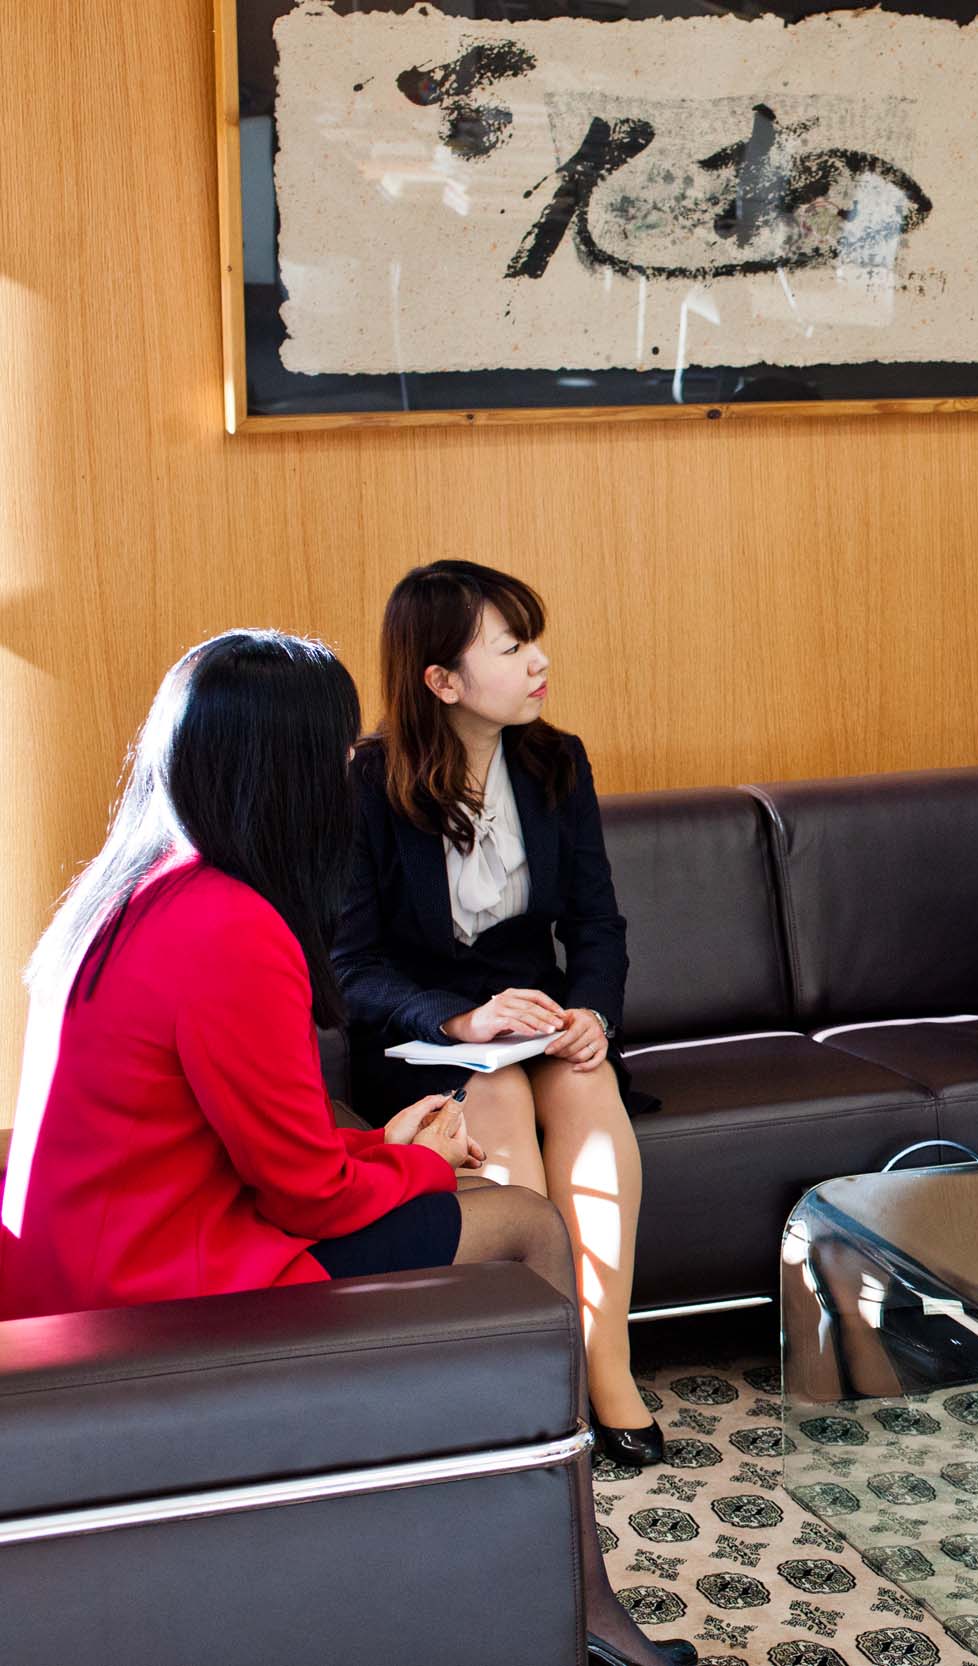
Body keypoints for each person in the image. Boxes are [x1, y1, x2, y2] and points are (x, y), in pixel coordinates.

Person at [0, 630, 693, 1666]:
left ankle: (495, 1531)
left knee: (444, 1189)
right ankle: (580, 1596)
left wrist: (382, 1150)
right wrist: (419, 1162)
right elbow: (306, 1198)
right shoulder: (231, 927)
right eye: (333, 754)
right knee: (527, 1228)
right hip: (158, 1280)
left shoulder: (129, 889)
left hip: (87, 1253)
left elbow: (244, 1138)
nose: (346, 776)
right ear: (283, 770)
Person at [332, 561, 661, 1470]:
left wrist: (591, 1015)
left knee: (586, 1084)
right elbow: (350, 967)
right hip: (427, 1036)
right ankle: (536, 1375)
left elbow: (596, 924)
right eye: (512, 648)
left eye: (532, 641)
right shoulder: (367, 783)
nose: (539, 662)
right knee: (502, 1100)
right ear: (441, 680)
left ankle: (606, 1369)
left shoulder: (557, 761)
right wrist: (460, 1021)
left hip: (538, 1019)